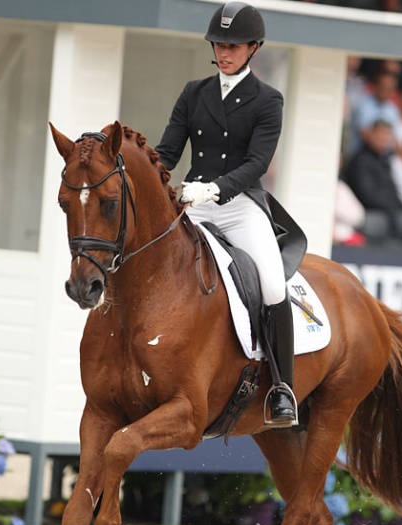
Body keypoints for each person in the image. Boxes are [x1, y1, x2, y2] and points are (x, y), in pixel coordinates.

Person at [155, 1, 297, 426]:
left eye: (233, 46)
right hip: (193, 206)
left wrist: (216, 188)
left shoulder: (268, 100)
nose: (224, 52)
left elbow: (257, 163)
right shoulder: (193, 92)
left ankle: (282, 389)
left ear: (253, 48)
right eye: (219, 44)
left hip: (238, 206)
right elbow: (166, 152)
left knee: (273, 286)